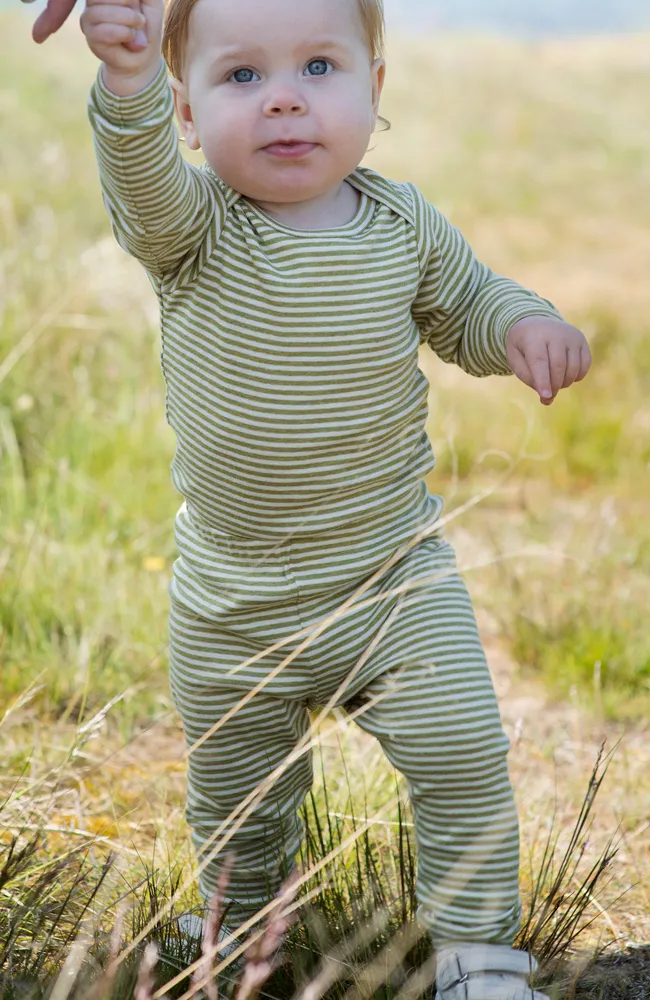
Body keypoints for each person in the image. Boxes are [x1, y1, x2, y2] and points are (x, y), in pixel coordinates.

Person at [78, 0, 591, 995]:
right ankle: (236, 926)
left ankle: (478, 953)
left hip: (390, 575)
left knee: (458, 754)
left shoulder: (402, 224)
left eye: (318, 67)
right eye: (240, 79)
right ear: (188, 115)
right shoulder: (193, 232)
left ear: (373, 88)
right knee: (236, 797)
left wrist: (523, 321)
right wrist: (129, 81)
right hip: (233, 598)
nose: (282, 100)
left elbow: (469, 303)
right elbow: (138, 187)